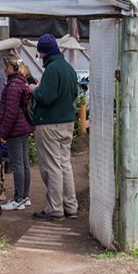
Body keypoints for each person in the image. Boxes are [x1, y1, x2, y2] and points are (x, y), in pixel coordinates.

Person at [29, 34, 79, 220]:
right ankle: (70, 206)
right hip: (67, 122)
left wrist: (35, 90)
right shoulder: (68, 68)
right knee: (65, 164)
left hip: (49, 123)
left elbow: (46, 96)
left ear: (42, 52)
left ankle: (54, 209)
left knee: (52, 167)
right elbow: (74, 93)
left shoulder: (51, 70)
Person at [0, 53, 34, 210]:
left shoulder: (13, 86)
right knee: (25, 163)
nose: (4, 70)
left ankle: (18, 198)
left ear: (11, 68)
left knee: (18, 164)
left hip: (15, 130)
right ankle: (24, 196)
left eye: (5, 67)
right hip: (23, 128)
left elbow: (10, 112)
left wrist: (3, 133)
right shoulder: (21, 82)